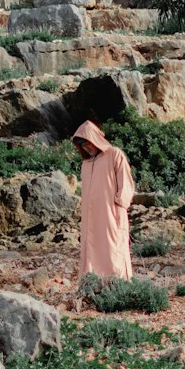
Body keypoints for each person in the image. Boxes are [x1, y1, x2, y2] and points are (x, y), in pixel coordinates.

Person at [72, 119, 134, 280]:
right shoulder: (85, 164)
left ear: (95, 139)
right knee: (91, 249)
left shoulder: (114, 154)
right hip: (91, 218)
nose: (87, 147)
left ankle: (117, 286)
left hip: (111, 215)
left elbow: (126, 184)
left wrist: (118, 207)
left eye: (88, 143)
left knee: (113, 250)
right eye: (83, 145)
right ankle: (93, 286)